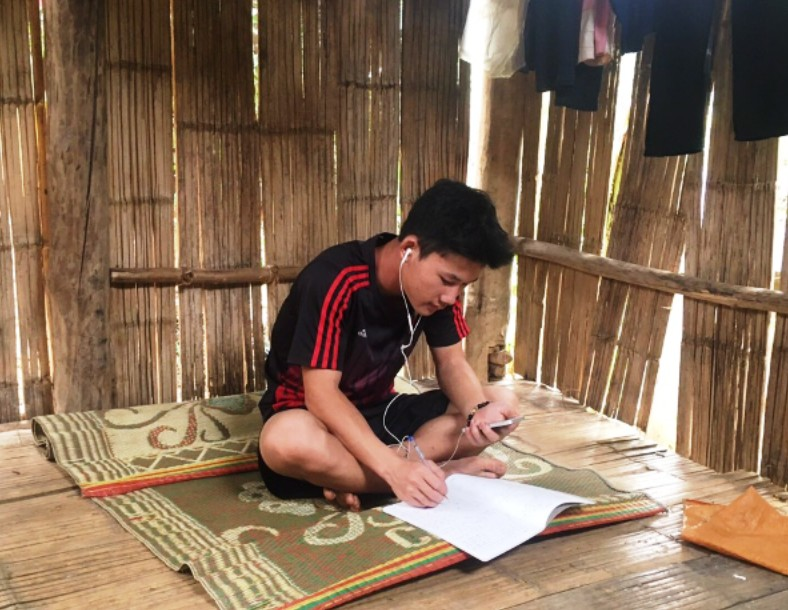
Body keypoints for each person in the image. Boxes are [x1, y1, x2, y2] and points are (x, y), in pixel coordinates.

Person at [258, 179, 521, 511]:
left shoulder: (439, 296)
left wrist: (479, 412)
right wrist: (394, 468)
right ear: (409, 249)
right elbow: (321, 396)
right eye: (447, 280)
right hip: (315, 419)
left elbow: (452, 364)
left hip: (381, 415)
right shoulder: (334, 278)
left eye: (463, 286)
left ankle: (354, 478)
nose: (451, 297)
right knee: (284, 442)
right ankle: (436, 472)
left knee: (501, 402)